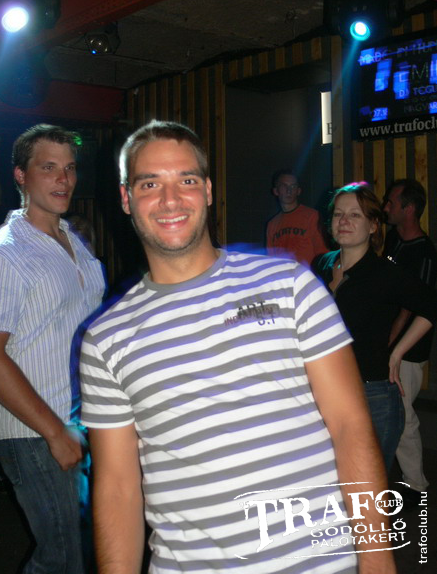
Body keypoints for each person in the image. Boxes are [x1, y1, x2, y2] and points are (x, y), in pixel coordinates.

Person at [80, 120, 397, 574]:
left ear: (208, 191)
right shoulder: (105, 338)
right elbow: (116, 488)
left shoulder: (289, 285)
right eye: (150, 184)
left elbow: (350, 426)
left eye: (186, 180)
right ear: (126, 198)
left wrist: (378, 560)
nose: (170, 199)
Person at [0, 124, 106, 573]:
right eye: (49, 168)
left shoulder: (72, 241)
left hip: (78, 420)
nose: (63, 179)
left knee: (84, 550)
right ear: (20, 175)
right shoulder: (5, 253)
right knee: (62, 560)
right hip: (34, 429)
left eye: (70, 168)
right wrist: (54, 432)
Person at [312, 182, 436, 472]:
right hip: (326, 393)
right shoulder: (323, 264)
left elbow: (431, 305)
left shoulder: (385, 273)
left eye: (355, 215)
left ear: (372, 225)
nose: (344, 221)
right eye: (338, 214)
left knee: (364, 487)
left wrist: (397, 352)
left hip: (372, 396)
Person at [383, 178, 437, 498]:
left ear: (410, 209)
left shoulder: (425, 254)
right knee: (390, 412)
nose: (386, 207)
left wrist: (394, 343)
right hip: (386, 343)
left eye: (392, 202)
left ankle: (416, 485)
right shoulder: (394, 240)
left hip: (409, 350)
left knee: (403, 415)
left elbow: (418, 307)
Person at [266, 169, 328, 264]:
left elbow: (322, 253)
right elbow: (271, 260)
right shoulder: (272, 224)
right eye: (284, 186)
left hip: (307, 272)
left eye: (293, 186)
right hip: (282, 273)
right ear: (276, 191)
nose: (289, 190)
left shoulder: (312, 216)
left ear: (298, 191)